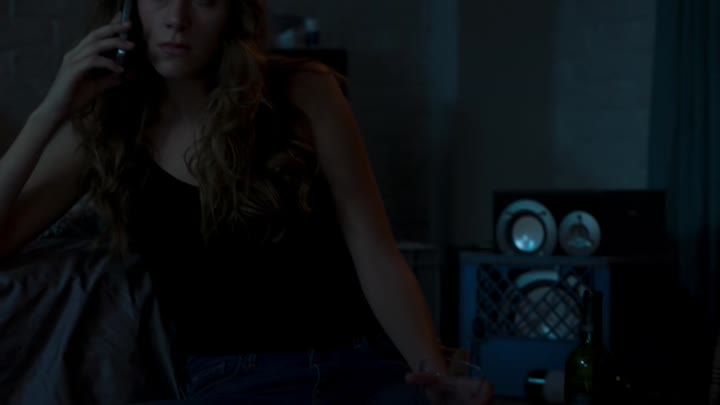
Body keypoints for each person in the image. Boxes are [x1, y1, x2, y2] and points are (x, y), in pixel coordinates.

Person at [0, 1, 493, 404]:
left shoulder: (306, 91)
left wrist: (435, 374)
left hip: (361, 366)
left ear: (234, 14)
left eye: (205, 0)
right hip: (234, 380)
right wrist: (51, 110)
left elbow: (375, 250)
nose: (177, 18)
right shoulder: (107, 129)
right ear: (127, 9)